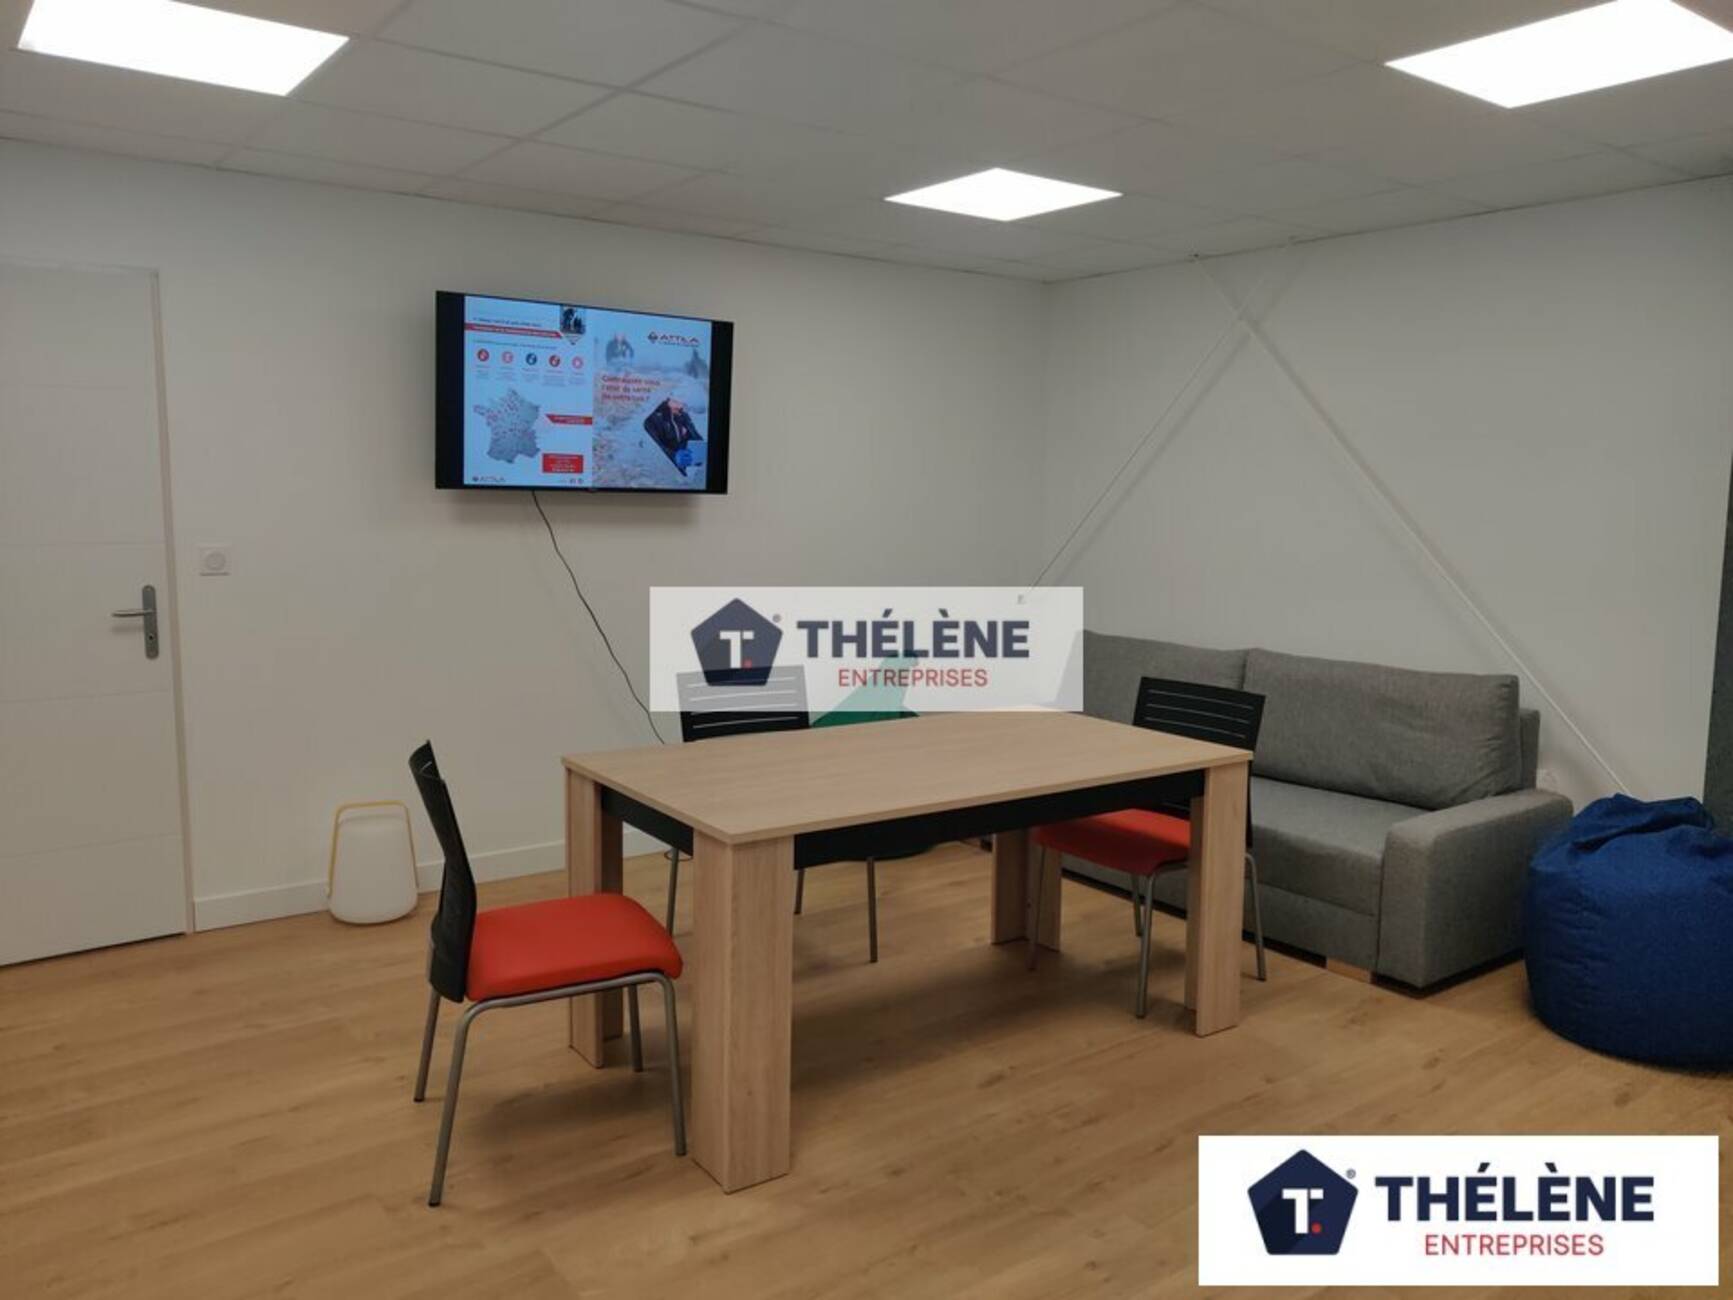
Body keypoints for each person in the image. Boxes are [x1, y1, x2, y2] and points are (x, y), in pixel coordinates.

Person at [643, 395, 701, 473]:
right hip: (668, 466)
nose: (681, 405)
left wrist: (687, 434)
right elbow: (657, 447)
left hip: (687, 461)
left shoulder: (683, 414)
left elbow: (697, 438)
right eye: (676, 400)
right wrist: (678, 458)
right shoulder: (652, 419)